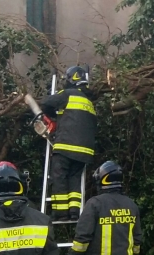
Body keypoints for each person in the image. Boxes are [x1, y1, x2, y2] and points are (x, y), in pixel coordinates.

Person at [38, 65, 97, 221]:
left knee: (59, 176)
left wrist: (54, 117)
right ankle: (74, 211)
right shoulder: (89, 102)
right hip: (85, 151)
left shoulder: (68, 94)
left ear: (71, 79)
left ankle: (61, 213)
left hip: (66, 145)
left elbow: (46, 103)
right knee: (74, 178)